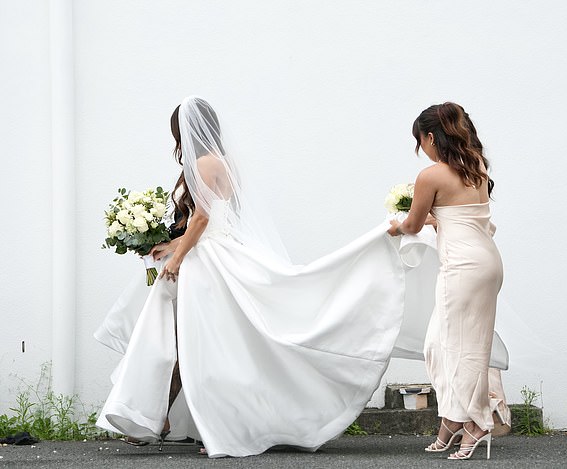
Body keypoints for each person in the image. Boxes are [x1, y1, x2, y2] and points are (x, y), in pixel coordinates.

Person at [97, 96, 412, 457]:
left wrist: (177, 257)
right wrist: (169, 244)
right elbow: (220, 217)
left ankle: (187, 422)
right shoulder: (226, 162)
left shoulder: (201, 163)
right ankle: (174, 419)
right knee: (198, 340)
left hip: (207, 260)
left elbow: (201, 218)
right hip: (222, 249)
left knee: (202, 343)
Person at [388, 102, 504, 460]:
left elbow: (411, 223)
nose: (421, 148)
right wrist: (437, 222)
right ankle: (454, 418)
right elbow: (462, 216)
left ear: (431, 136)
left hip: (462, 267)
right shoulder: (476, 165)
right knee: (441, 345)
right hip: (486, 261)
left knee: (462, 349)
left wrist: (398, 226)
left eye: (420, 140)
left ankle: (477, 423)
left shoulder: (432, 175)